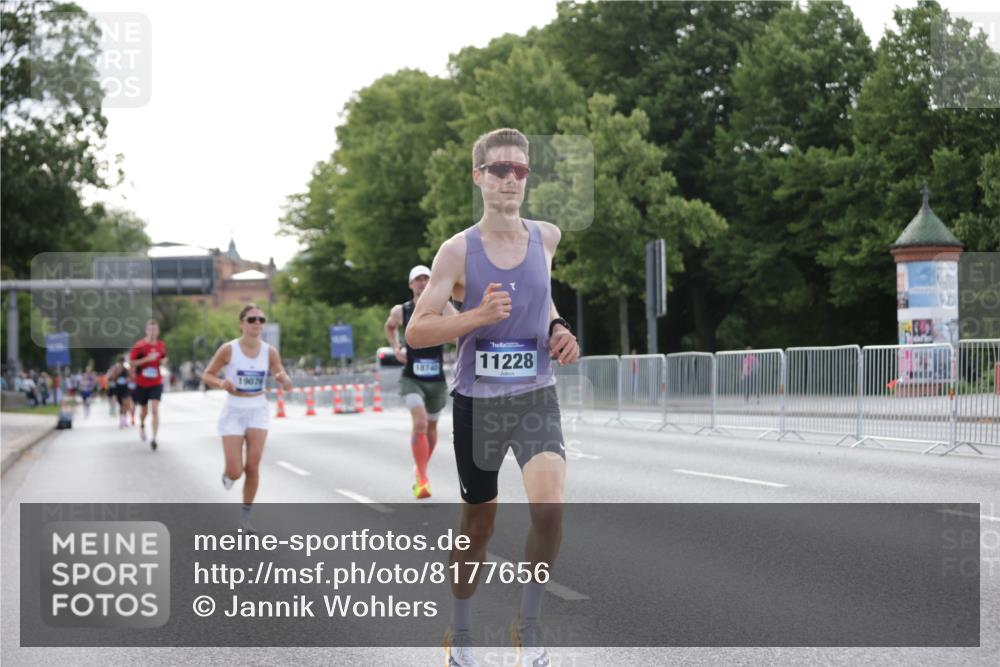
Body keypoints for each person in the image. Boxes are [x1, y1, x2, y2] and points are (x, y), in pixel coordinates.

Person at [406, 128, 580, 667]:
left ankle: (528, 626)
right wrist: (477, 318)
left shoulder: (546, 237)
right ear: (479, 176)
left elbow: (543, 297)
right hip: (478, 404)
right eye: (499, 169)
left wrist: (559, 329)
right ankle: (459, 630)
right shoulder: (458, 250)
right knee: (478, 526)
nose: (510, 179)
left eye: (520, 171)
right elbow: (418, 331)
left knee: (549, 512)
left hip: (535, 396)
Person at [201, 304, 292, 534]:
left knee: (252, 466)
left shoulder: (269, 351)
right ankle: (228, 475)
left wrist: (284, 379)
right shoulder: (228, 349)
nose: (257, 324)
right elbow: (207, 375)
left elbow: (279, 371)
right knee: (235, 471)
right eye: (252, 319)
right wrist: (222, 383)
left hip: (257, 409)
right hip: (234, 410)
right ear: (242, 323)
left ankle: (245, 517)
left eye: (261, 320)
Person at [384, 264, 458, 499]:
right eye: (418, 279)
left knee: (432, 427)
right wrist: (396, 347)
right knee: (420, 423)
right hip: (412, 377)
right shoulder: (401, 310)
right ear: (411, 284)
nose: (422, 282)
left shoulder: (443, 307)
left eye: (426, 278)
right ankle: (423, 478)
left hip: (436, 378)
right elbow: (390, 326)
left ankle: (420, 470)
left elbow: (459, 330)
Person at [130, 320, 168, 450]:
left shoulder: (161, 345)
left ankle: (154, 438)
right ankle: (141, 425)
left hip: (156, 382)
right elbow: (132, 363)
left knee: (155, 409)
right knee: (144, 411)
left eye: (155, 330)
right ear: (146, 331)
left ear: (158, 331)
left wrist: (163, 361)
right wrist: (147, 359)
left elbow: (164, 358)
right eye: (150, 329)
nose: (153, 332)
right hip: (142, 383)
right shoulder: (140, 345)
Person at [106, 356, 134, 429]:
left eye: (123, 362)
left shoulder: (126, 369)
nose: (122, 363)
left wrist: (128, 379)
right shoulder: (116, 369)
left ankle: (124, 419)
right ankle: (122, 420)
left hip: (125, 388)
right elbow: (112, 378)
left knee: (126, 404)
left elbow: (130, 377)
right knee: (121, 405)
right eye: (121, 362)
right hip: (118, 389)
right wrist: (117, 374)